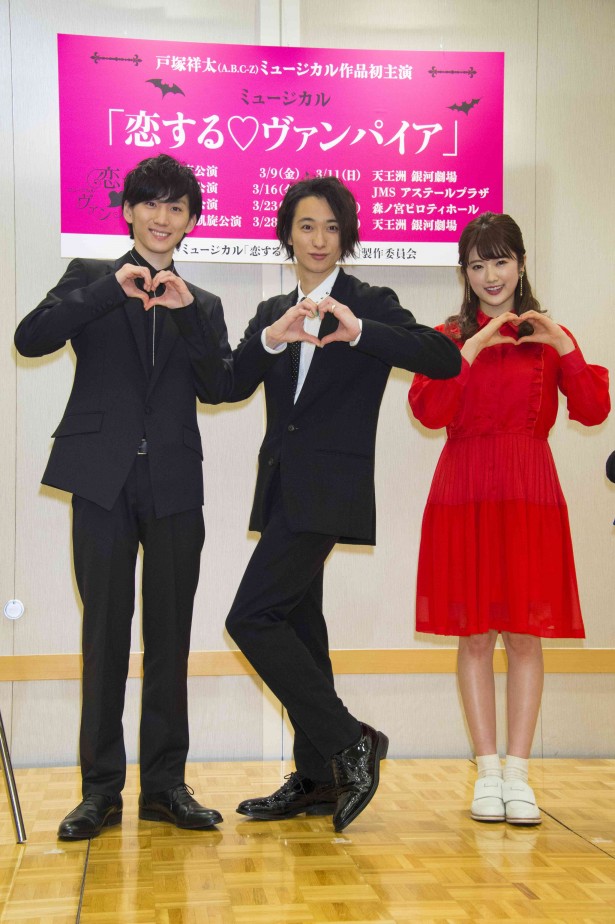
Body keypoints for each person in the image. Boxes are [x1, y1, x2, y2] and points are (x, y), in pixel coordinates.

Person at [224, 176, 462, 831]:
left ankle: (350, 741)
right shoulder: (274, 309)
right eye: (306, 226)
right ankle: (318, 777)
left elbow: (443, 359)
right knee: (300, 629)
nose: (319, 239)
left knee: (250, 618)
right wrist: (270, 339)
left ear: (346, 236)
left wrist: (361, 333)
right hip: (280, 488)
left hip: (330, 489)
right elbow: (227, 384)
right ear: (287, 233)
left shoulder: (370, 301)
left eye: (331, 227)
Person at [14, 154, 233, 839]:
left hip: (174, 484)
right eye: (151, 203)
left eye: (177, 207)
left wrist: (188, 315)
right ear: (129, 211)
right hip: (101, 479)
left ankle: (165, 787)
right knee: (104, 634)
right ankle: (99, 790)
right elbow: (30, 338)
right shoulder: (89, 277)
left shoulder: (204, 303)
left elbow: (220, 386)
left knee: (170, 636)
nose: (163, 217)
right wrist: (110, 289)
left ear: (191, 221)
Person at [408, 212, 610, 825]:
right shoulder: (448, 336)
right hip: (465, 490)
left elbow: (594, 410)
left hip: (528, 492)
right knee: (474, 635)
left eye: (501, 261)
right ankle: (487, 772)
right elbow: (429, 410)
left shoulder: (548, 335)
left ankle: (519, 774)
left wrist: (565, 347)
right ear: (464, 273)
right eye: (478, 264)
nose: (490, 275)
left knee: (525, 634)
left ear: (521, 265)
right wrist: (470, 348)